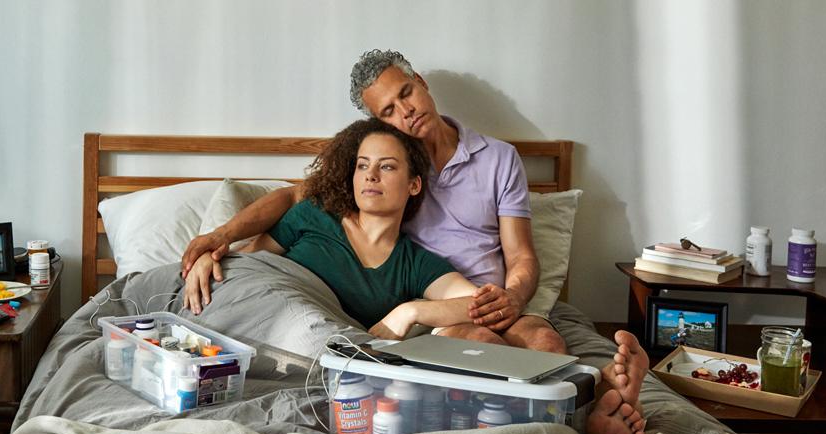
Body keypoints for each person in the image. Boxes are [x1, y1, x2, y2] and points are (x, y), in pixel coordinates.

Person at [185, 118, 648, 434]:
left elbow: (476, 301)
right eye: (363, 164)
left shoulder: (414, 263)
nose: (370, 175)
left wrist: (411, 311)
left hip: (366, 343)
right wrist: (212, 251)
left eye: (386, 166)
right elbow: (254, 271)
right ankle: (585, 404)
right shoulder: (314, 217)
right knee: (481, 340)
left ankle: (592, 398)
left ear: (413, 186)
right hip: (293, 332)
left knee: (515, 336)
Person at [182, 49, 564, 354]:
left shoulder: (498, 158)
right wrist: (219, 239)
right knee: (483, 347)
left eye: (406, 93)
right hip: (425, 301)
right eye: (388, 111)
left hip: (488, 298)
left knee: (546, 343)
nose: (407, 111)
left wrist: (512, 298)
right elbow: (289, 197)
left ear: (420, 82)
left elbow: (522, 256)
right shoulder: (388, 170)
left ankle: (594, 410)